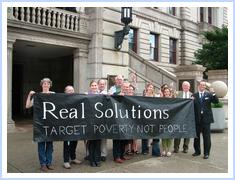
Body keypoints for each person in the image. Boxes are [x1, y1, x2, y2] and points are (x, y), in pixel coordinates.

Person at [25, 78, 55, 172]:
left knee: (50, 144)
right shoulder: (37, 96)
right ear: (41, 85)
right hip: (40, 123)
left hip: (51, 122)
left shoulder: (53, 94)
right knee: (41, 144)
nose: (46, 85)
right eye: (44, 83)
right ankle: (43, 164)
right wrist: (30, 95)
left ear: (50, 85)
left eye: (48, 83)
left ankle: (49, 163)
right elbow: (27, 106)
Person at [192, 80, 219, 159]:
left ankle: (206, 153)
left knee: (206, 137)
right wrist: (191, 100)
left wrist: (213, 93)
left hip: (206, 120)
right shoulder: (194, 95)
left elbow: (216, 102)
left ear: (205, 87)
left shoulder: (209, 95)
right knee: (196, 137)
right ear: (198, 86)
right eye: (201, 85)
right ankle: (197, 151)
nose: (202, 86)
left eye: (204, 85)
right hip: (197, 119)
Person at [112, 80, 131, 163]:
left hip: (126, 120)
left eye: (127, 87)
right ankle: (116, 156)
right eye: (125, 87)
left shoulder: (130, 96)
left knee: (124, 139)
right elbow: (111, 98)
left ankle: (122, 155)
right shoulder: (116, 94)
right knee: (117, 139)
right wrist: (119, 95)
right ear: (122, 87)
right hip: (117, 120)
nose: (126, 88)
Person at [63, 85, 82, 169]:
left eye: (72, 90)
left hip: (75, 124)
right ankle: (66, 161)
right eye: (69, 90)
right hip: (66, 125)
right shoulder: (62, 100)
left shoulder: (76, 99)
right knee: (67, 144)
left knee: (74, 142)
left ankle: (73, 158)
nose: (71, 92)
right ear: (65, 92)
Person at [141, 83, 160, 157]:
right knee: (145, 134)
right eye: (149, 87)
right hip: (145, 117)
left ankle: (155, 151)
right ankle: (145, 150)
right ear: (147, 88)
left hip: (155, 117)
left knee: (155, 134)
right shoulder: (143, 97)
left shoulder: (156, 97)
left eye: (152, 87)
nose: (151, 88)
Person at [174, 81, 192, 153]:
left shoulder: (192, 95)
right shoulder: (178, 94)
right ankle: (176, 148)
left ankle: (185, 148)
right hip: (179, 116)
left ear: (189, 87)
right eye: (184, 86)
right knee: (178, 131)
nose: (185, 87)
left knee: (187, 132)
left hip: (188, 116)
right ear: (182, 87)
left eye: (187, 86)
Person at [87, 80, 102, 167]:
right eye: (92, 85)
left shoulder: (101, 96)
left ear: (97, 86)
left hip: (99, 122)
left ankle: (97, 159)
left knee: (98, 142)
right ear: (90, 87)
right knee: (91, 142)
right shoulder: (86, 96)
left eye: (95, 85)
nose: (94, 87)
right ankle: (92, 160)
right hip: (90, 121)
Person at [97, 79, 108, 162]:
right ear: (98, 85)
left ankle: (103, 154)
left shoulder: (107, 94)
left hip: (104, 118)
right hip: (94, 118)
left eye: (103, 84)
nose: (102, 85)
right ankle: (93, 153)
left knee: (103, 137)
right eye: (100, 84)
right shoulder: (94, 92)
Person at [161, 87, 173, 157]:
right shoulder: (161, 100)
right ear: (164, 93)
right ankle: (164, 149)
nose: (166, 93)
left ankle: (169, 149)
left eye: (168, 91)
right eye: (165, 91)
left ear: (169, 92)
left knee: (170, 135)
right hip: (162, 119)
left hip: (171, 119)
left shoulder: (172, 100)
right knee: (163, 134)